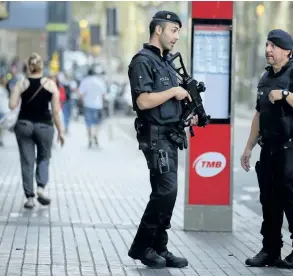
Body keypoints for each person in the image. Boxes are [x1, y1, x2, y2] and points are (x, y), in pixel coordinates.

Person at [240, 29, 293, 269]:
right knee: (269, 199)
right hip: (269, 147)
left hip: (292, 146)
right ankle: (270, 250)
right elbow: (259, 114)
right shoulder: (265, 79)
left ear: (287, 50)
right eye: (267, 45)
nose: (268, 50)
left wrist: (286, 95)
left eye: (274, 46)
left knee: (292, 197)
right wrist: (248, 148)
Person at [127, 10, 198, 269]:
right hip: (155, 137)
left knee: (168, 193)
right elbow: (143, 101)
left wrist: (187, 116)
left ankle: (159, 247)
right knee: (165, 191)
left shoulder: (167, 62)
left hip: (170, 135)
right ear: (158, 30)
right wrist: (173, 91)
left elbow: (170, 104)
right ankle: (143, 247)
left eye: (178, 31)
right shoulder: (142, 61)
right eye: (173, 30)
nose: (177, 36)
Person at [9, 53, 65, 209]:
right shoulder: (51, 84)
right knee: (44, 157)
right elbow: (55, 111)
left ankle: (29, 199)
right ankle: (41, 187)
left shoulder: (21, 83)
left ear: (28, 66)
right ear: (41, 66)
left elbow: (12, 105)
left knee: (27, 161)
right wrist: (61, 132)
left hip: (24, 125)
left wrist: (16, 91)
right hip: (44, 126)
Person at [78, 64, 107, 148]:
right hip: (98, 105)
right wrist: (102, 103)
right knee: (98, 122)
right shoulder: (100, 81)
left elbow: (80, 93)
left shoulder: (85, 81)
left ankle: (90, 138)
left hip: (87, 104)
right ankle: (95, 134)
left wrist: (83, 101)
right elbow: (104, 94)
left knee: (88, 123)